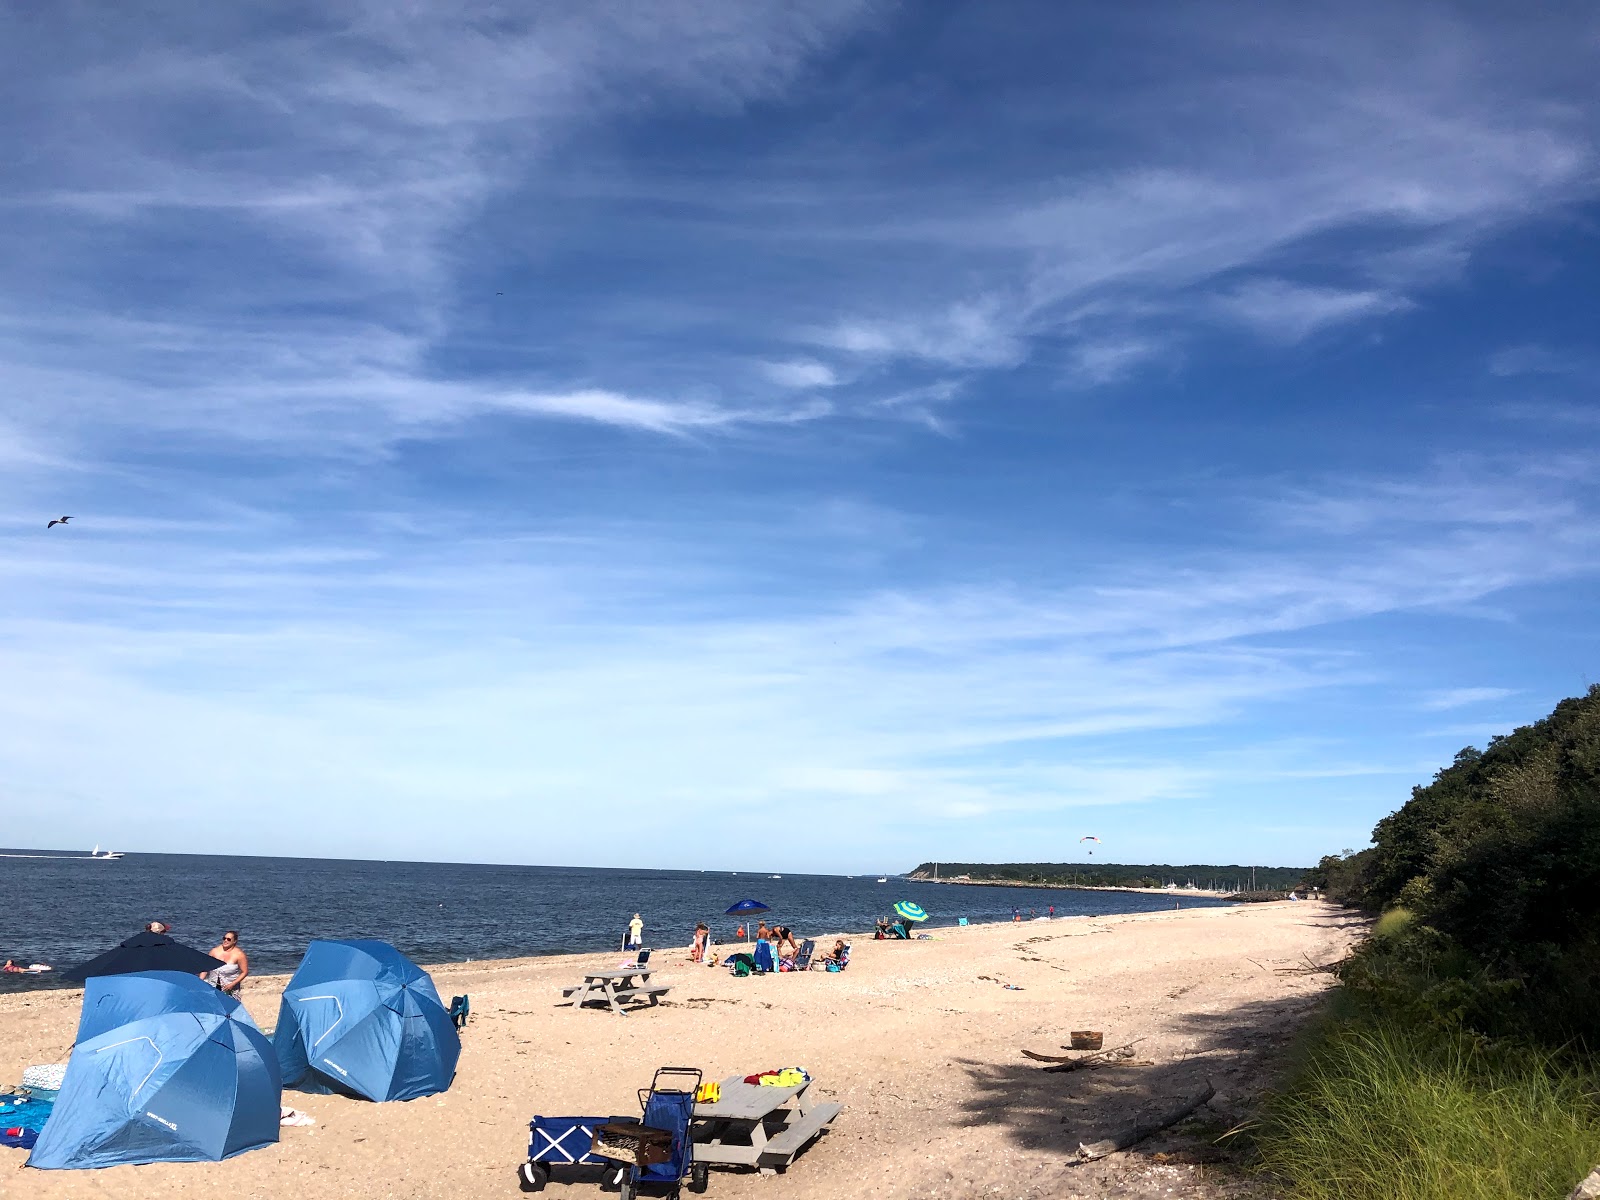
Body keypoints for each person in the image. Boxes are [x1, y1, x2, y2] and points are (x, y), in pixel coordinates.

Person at [206, 930, 249, 994]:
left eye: (229, 939)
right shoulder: (214, 951)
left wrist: (232, 984)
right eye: (224, 938)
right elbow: (205, 967)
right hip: (213, 985)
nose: (225, 940)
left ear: (234, 941)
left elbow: (244, 972)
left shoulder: (239, 954)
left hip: (229, 987)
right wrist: (200, 980)